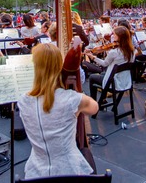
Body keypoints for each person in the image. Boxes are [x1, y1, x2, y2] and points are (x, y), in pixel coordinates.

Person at [17, 43, 98, 179]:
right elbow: (94, 108)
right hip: (70, 171)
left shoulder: (23, 101)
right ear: (59, 67)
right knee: (87, 153)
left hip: (36, 172)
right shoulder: (73, 100)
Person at [85, 26, 135, 101]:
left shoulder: (114, 52)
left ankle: (94, 102)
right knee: (103, 73)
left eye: (114, 35)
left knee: (92, 77)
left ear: (119, 37)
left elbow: (104, 63)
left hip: (115, 83)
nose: (112, 36)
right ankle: (103, 99)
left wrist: (92, 57)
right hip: (126, 81)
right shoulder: (132, 51)